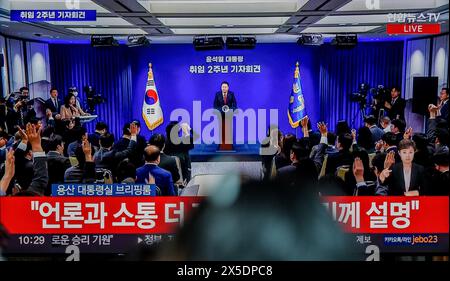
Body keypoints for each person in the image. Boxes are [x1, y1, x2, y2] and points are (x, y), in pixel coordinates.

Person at [1, 123, 48, 196]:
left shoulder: (5, 204)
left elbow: (15, 161)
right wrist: (36, 145)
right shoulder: (34, 195)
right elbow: (40, 179)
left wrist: (7, 176)